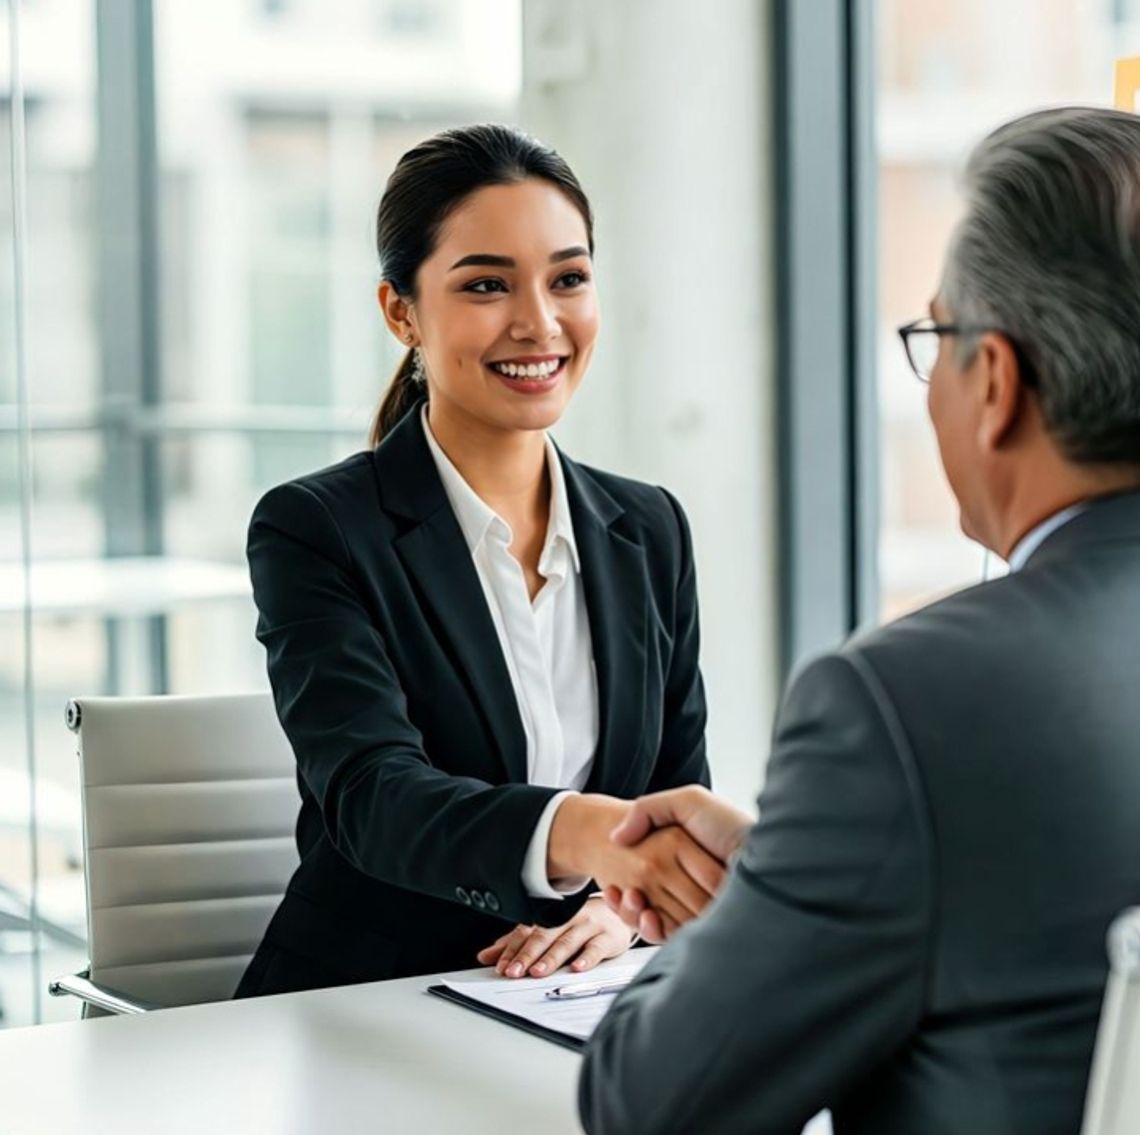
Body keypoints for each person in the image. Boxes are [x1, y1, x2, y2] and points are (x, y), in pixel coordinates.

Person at [579, 105, 1140, 1134]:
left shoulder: (911, 704)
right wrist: (802, 873)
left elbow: (650, 1104)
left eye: (939, 339)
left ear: (998, 383)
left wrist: (750, 916)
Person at [235, 124, 724, 998]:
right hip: (370, 1001)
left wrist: (621, 908)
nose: (539, 322)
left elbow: (675, 794)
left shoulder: (648, 529)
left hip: (582, 1003)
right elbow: (374, 798)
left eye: (568, 278)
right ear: (401, 312)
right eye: (487, 285)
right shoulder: (317, 528)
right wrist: (587, 834)